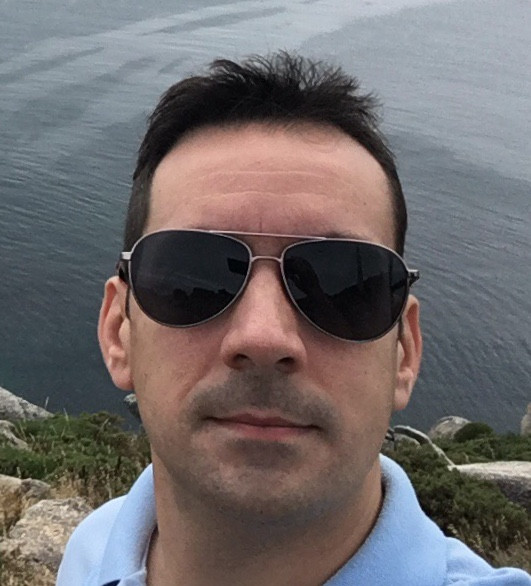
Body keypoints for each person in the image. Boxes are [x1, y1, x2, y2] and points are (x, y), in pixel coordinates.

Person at [57, 52, 530, 586]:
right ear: (118, 331)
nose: (264, 336)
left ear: (405, 351)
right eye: (195, 275)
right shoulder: (92, 551)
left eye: (342, 283)